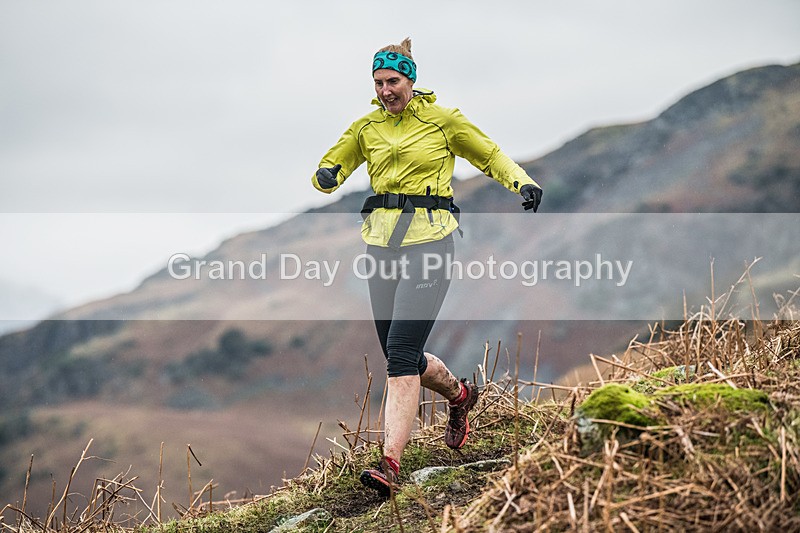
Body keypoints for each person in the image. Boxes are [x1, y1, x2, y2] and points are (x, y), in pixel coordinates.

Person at [312, 37, 542, 497]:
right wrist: (327, 174)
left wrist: (522, 182)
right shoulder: (366, 127)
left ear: (410, 80)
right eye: (378, 83)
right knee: (405, 358)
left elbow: (488, 154)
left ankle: (389, 465)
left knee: (399, 353)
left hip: (429, 245)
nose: (384, 90)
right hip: (380, 249)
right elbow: (331, 163)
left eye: (392, 81)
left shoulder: (444, 121)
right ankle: (460, 396)